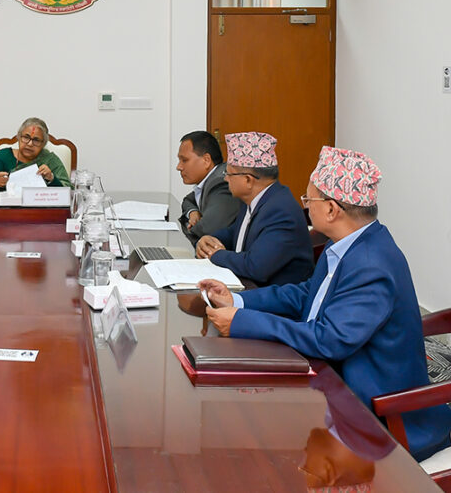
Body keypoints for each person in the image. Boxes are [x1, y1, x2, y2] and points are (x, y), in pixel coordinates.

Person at [199, 147, 451, 462]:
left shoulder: (371, 264)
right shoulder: (349, 243)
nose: (305, 207)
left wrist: (242, 322)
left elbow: (329, 339)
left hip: (378, 414)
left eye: (309, 200)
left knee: (265, 445)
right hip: (336, 384)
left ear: (331, 209)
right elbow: (308, 294)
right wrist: (238, 300)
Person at [196, 132, 313, 287]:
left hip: (274, 297)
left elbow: (256, 267)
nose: (225, 179)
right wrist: (209, 241)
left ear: (248, 180)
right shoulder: (253, 199)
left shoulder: (281, 211)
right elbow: (236, 233)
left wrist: (215, 255)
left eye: (229, 174)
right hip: (249, 287)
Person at [176, 130, 242, 245]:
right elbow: (188, 200)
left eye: (184, 160)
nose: (179, 167)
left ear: (206, 160)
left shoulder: (222, 182)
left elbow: (208, 229)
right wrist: (193, 212)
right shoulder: (210, 179)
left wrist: (188, 227)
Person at [0, 117, 72, 191]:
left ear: (43, 144)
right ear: (19, 137)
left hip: (41, 207)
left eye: (36, 140)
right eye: (26, 137)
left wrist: (51, 179)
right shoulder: (2, 156)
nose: (30, 144)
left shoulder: (50, 160)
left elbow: (68, 192)